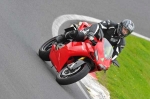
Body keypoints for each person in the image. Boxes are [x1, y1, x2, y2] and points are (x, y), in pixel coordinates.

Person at [56, 19, 135, 64]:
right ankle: (63, 37)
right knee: (80, 35)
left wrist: (112, 60)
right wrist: (91, 33)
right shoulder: (110, 24)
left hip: (98, 46)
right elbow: (97, 25)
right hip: (92, 35)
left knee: (95, 62)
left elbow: (116, 53)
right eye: (124, 29)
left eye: (127, 32)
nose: (125, 32)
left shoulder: (121, 42)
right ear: (121, 26)